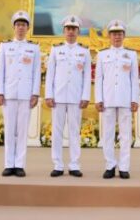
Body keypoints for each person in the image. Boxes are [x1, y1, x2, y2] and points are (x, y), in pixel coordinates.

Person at [44, 15, 92, 177]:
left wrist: (85, 96)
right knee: (57, 131)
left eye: (74, 29)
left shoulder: (84, 51)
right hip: (57, 97)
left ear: (78, 31)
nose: (71, 32)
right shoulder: (56, 50)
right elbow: (50, 74)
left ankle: (74, 165)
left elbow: (87, 76)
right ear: (64, 31)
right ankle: (57, 164)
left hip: (75, 97)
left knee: (74, 132)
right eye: (68, 29)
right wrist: (49, 95)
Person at [0, 10, 41, 177]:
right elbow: (0, 70)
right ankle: (9, 164)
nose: (21, 28)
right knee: (9, 130)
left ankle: (19, 164)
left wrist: (35, 93)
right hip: (8, 94)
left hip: (26, 95)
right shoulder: (5, 46)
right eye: (18, 25)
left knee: (22, 131)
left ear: (28, 28)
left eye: (23, 25)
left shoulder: (34, 48)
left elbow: (36, 72)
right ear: (14, 27)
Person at [94, 19, 140, 179]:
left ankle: (124, 167)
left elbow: (134, 79)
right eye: (114, 34)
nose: (117, 37)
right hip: (108, 99)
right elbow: (98, 78)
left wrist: (135, 99)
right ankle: (110, 165)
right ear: (109, 36)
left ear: (124, 35)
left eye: (119, 33)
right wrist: (98, 99)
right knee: (107, 134)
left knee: (125, 135)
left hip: (125, 99)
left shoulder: (132, 54)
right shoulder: (102, 54)